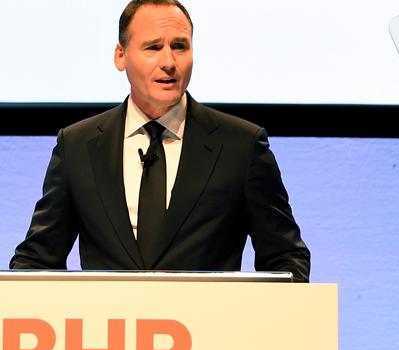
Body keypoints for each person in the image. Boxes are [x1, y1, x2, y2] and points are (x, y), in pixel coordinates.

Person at [10, 0, 310, 282]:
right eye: (153, 47)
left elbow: (286, 259)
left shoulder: (242, 146)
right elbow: (36, 261)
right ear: (120, 55)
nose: (169, 62)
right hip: (110, 333)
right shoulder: (77, 145)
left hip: (211, 334)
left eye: (179, 46)